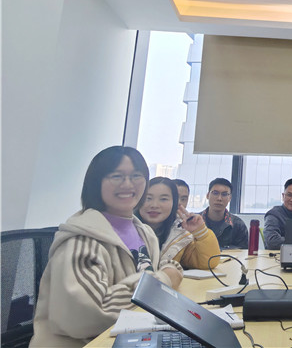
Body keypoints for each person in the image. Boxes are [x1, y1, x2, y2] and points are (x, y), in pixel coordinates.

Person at [30, 146, 183, 348]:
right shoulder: (81, 240)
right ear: (96, 182)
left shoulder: (145, 233)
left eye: (136, 176)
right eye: (116, 176)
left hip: (127, 338)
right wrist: (161, 281)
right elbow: (84, 315)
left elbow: (163, 269)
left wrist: (165, 275)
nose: (127, 184)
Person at [136, 177, 220, 270]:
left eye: (163, 199)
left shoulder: (180, 233)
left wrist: (201, 233)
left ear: (174, 203)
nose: (154, 205)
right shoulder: (127, 228)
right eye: (148, 198)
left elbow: (209, 262)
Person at [199, 178, 248, 249]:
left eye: (224, 194)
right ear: (207, 195)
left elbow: (244, 252)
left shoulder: (238, 225)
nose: (219, 198)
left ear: (230, 198)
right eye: (215, 193)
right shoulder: (194, 222)